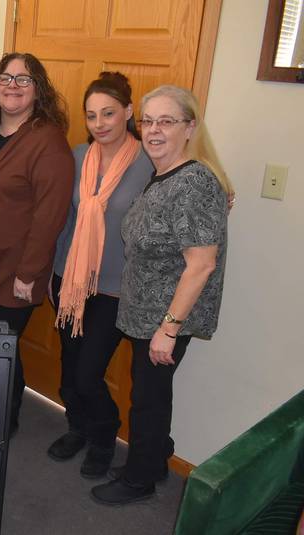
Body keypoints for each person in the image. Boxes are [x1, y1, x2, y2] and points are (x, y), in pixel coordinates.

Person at [91, 85, 232, 505]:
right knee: (149, 393)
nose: (153, 130)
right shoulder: (167, 173)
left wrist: (169, 329)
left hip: (166, 316)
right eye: (148, 121)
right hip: (147, 311)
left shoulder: (194, 182)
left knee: (148, 400)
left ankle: (140, 480)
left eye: (166, 121)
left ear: (189, 127)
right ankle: (152, 461)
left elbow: (202, 263)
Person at [0, 52, 73, 437]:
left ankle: (2, 424)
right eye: (6, 78)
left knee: (1, 347)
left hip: (16, 270)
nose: (13, 86)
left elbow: (50, 216)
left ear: (38, 90)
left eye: (24, 80)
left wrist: (28, 273)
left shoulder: (48, 143)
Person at [47, 72, 154, 478]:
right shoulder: (77, 157)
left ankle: (104, 435)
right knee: (68, 365)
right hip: (69, 279)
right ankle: (77, 428)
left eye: (109, 113)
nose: (100, 124)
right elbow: (67, 219)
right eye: (91, 116)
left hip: (115, 289)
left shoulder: (150, 162)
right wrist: (50, 275)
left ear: (128, 112)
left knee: (89, 372)